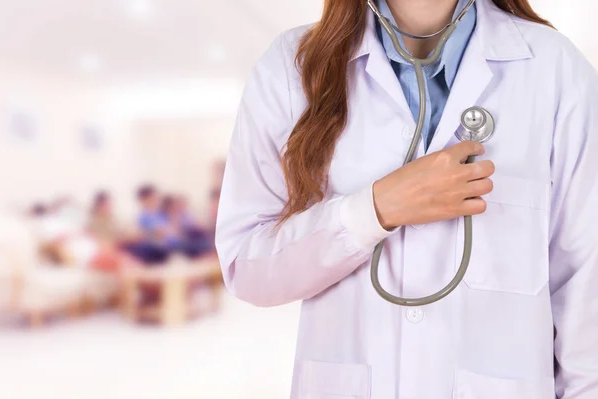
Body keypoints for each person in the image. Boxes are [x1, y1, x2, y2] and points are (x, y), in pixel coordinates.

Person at [215, 0, 598, 397]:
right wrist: (375, 209)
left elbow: (588, 290)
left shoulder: (554, 70)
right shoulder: (291, 67)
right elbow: (246, 266)